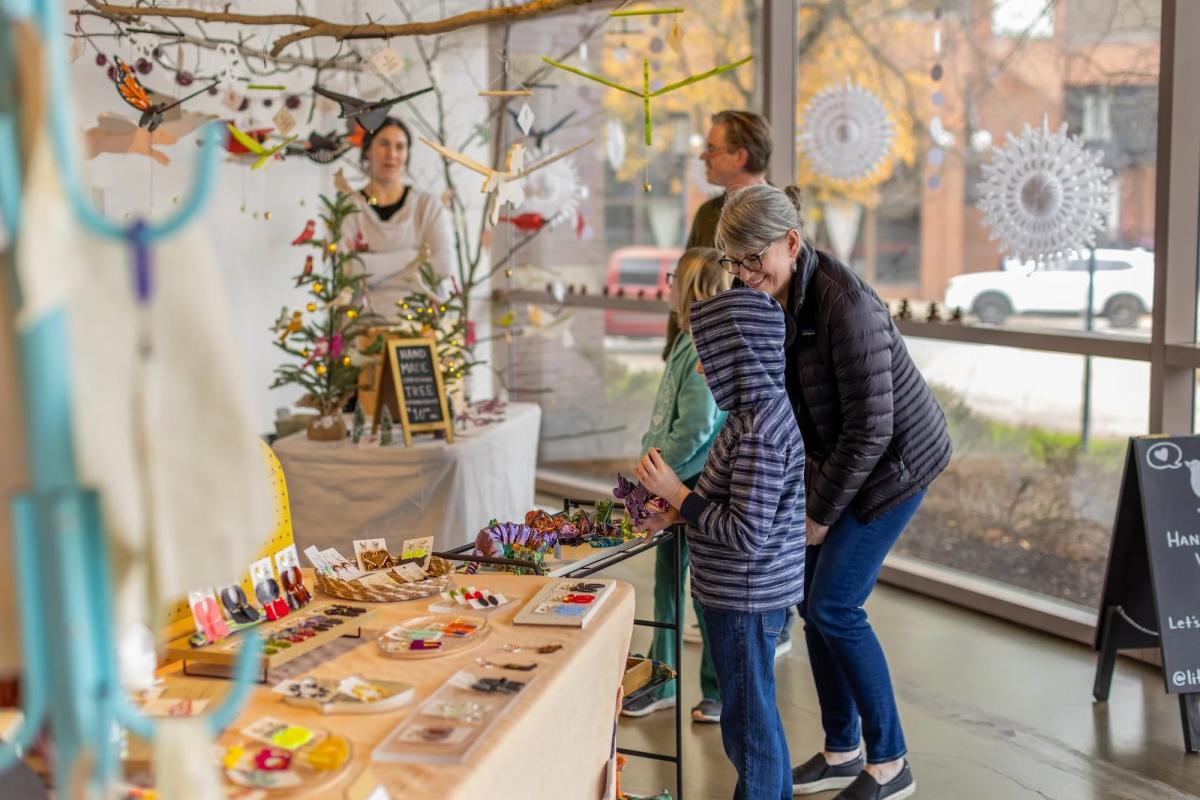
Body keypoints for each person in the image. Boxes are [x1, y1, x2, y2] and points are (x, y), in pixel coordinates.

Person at [715, 184, 952, 800]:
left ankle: (891, 762)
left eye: (752, 259)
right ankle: (843, 748)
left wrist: (818, 514)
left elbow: (872, 428)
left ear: (791, 243)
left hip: (895, 465)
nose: (743, 275)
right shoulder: (767, 292)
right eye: (733, 262)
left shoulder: (846, 305)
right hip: (837, 460)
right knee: (808, 602)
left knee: (834, 607)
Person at [637, 288, 806, 800]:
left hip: (744, 599)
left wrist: (678, 494)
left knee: (749, 729)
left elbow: (746, 534)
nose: (705, 374)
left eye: (713, 360)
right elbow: (725, 498)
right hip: (737, 596)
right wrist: (675, 512)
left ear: (743, 358)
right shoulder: (748, 415)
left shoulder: (759, 430)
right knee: (751, 718)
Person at [621, 248, 730, 724]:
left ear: (689, 287)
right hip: (669, 477)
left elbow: (696, 428)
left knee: (704, 591)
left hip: (691, 485)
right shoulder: (685, 340)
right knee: (668, 583)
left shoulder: (705, 345)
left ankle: (718, 688)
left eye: (671, 277)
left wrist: (657, 474)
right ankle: (661, 678)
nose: (665, 285)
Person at [663, 110, 771, 361]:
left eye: (712, 149)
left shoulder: (781, 216)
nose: (703, 156)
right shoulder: (707, 214)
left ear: (740, 156)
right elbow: (685, 284)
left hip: (754, 367)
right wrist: (673, 351)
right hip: (698, 361)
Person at [343, 117, 456, 313]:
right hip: (361, 327)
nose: (392, 154)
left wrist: (372, 269)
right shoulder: (349, 208)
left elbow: (443, 266)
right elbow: (347, 270)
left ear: (407, 154)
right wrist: (411, 257)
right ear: (368, 150)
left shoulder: (427, 206)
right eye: (384, 144)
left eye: (400, 147)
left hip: (423, 326)